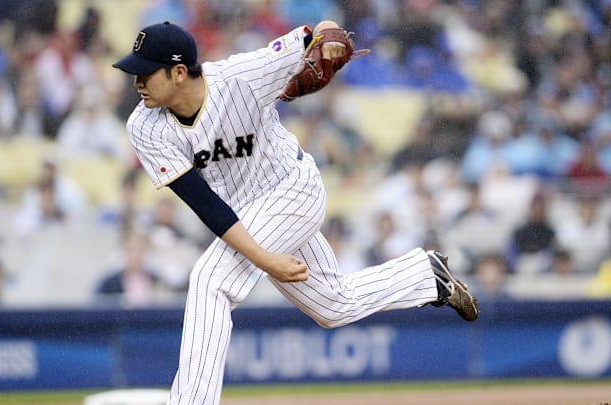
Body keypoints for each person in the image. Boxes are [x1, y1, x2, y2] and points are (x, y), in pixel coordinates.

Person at [113, 20, 478, 405]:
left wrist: (331, 38)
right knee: (333, 305)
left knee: (210, 280)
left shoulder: (242, 76)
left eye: (145, 71)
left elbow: (317, 33)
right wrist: (265, 259)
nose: (136, 81)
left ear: (180, 72)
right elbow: (205, 204)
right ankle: (425, 276)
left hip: (293, 192)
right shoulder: (145, 127)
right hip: (247, 217)